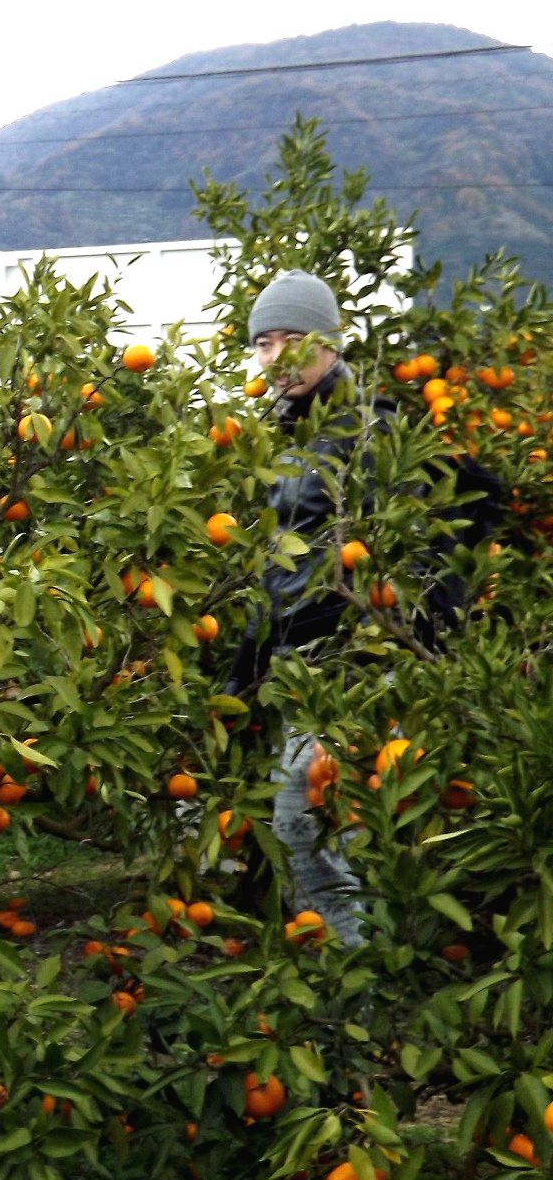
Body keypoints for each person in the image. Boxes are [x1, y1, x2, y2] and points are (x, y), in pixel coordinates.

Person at [225, 271, 385, 943]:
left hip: (349, 664)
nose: (275, 356)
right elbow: (275, 571)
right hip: (293, 663)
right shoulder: (281, 439)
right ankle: (350, 961)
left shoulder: (371, 434)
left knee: (305, 817)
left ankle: (361, 980)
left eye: (292, 338)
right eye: (263, 342)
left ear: (329, 342)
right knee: (314, 827)